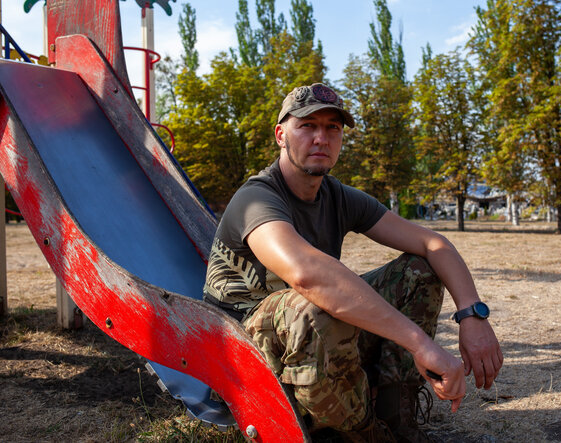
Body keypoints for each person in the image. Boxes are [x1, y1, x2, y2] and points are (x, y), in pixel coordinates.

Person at [203, 83, 502, 442]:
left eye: (333, 128)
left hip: (306, 344)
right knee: (316, 306)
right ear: (281, 135)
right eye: (308, 126)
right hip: (239, 360)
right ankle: (365, 435)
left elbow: (431, 242)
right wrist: (420, 343)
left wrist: (473, 315)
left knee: (419, 271)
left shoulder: (336, 195)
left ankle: (397, 418)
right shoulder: (256, 198)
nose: (321, 138)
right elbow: (307, 275)